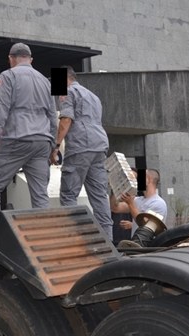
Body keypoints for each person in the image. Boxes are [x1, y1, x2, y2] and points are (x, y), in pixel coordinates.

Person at [0, 43, 57, 232]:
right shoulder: (45, 81)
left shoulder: (8, 76)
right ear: (30, 59)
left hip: (17, 139)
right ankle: (45, 239)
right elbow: (53, 115)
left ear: (11, 59)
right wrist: (53, 147)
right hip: (42, 142)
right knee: (40, 195)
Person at [51, 66, 112, 241]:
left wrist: (55, 145)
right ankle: (108, 241)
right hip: (99, 145)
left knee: (69, 195)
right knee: (99, 196)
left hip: (80, 145)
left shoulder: (69, 92)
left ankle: (75, 240)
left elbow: (66, 120)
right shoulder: (94, 96)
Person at [110, 169, 167, 237]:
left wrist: (130, 203)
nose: (137, 181)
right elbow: (115, 208)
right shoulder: (138, 200)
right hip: (137, 243)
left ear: (148, 179)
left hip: (150, 245)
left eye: (140, 177)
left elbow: (146, 226)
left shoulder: (158, 203)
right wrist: (118, 186)